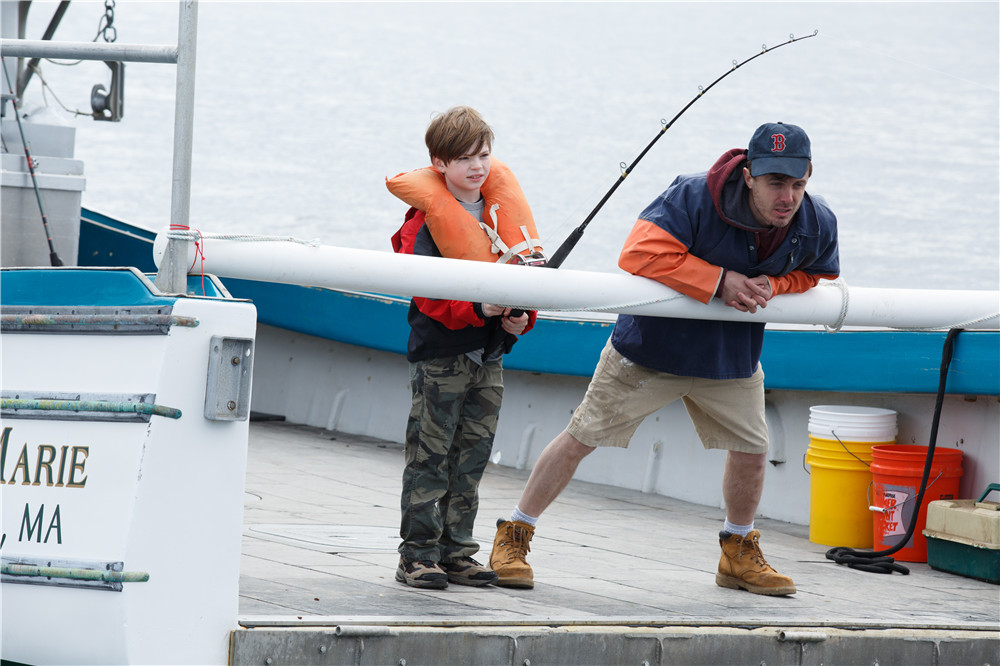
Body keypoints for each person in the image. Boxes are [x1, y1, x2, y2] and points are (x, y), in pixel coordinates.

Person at [489, 122, 839, 596]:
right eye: (776, 182)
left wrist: (776, 285)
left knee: (754, 451)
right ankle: (514, 535)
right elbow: (638, 253)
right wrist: (720, 281)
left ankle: (737, 552)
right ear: (750, 174)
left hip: (729, 355)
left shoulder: (816, 221)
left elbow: (814, 273)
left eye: (798, 184)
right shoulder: (692, 196)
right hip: (649, 352)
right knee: (581, 437)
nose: (788, 197)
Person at [386, 106, 542, 589]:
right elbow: (429, 295)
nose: (477, 167)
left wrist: (519, 318)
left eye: (484, 156)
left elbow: (528, 280)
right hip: (441, 360)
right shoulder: (425, 223)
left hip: (489, 359)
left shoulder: (500, 216)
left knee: (472, 457)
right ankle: (416, 554)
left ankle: (457, 551)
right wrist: (480, 311)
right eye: (464, 159)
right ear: (439, 164)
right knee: (429, 455)